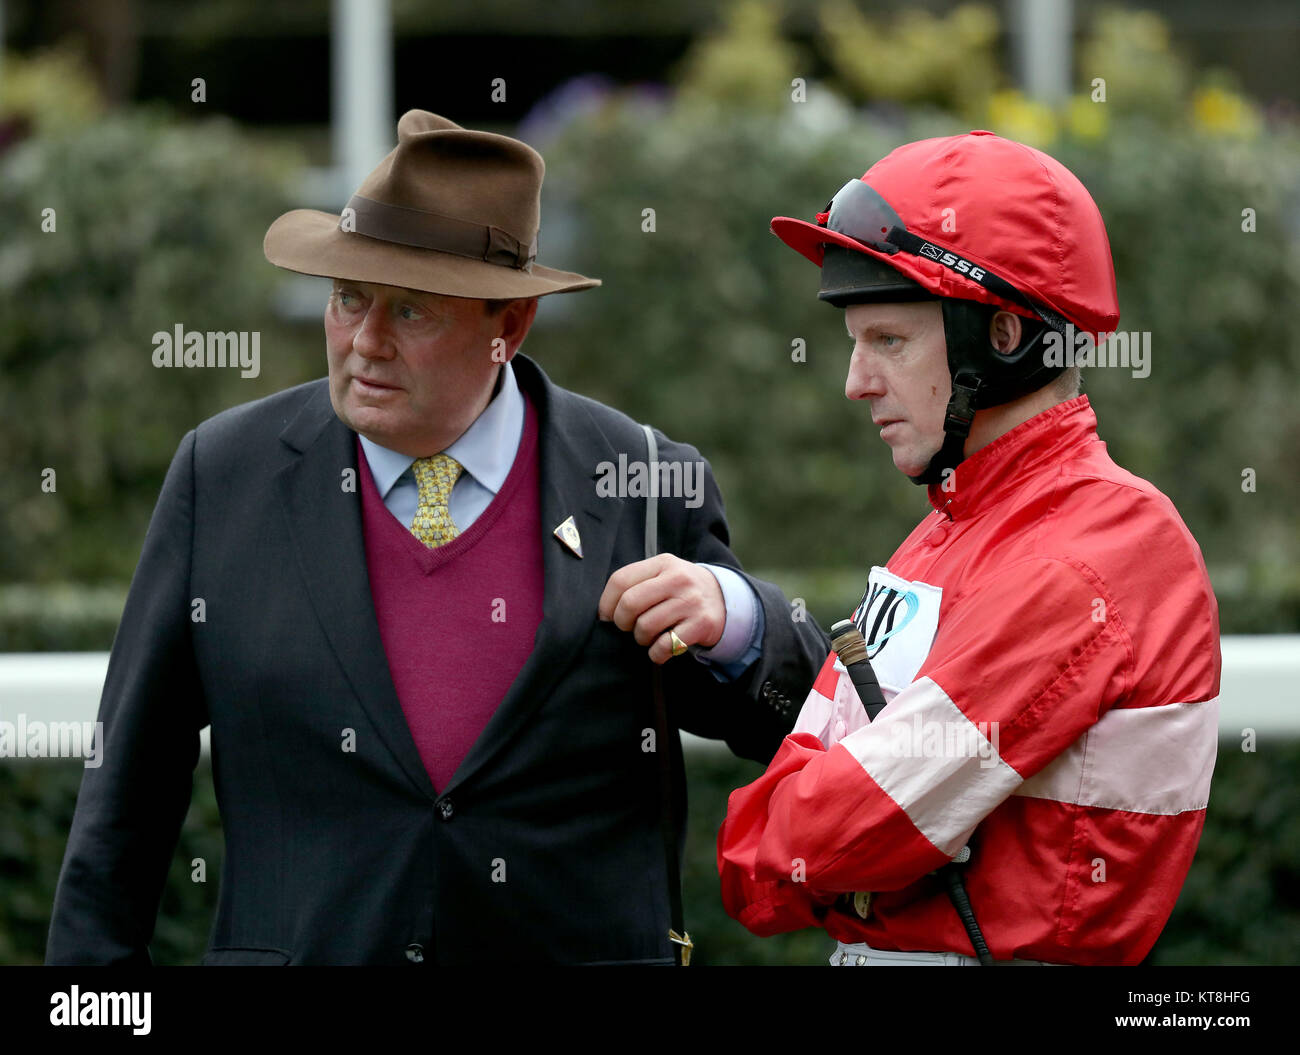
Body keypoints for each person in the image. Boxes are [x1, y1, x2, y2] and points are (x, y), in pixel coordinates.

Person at [45, 110, 826, 965]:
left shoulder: (639, 477)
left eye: (411, 311)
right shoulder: (222, 475)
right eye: (349, 299)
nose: (365, 342)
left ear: (509, 329)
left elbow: (791, 721)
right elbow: (126, 793)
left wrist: (738, 616)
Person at [717, 130, 1221, 966]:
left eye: (889, 340)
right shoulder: (944, 529)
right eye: (854, 341)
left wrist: (807, 838)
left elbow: (834, 828)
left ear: (1005, 336)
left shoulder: (1100, 547)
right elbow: (813, 803)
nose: (855, 382)